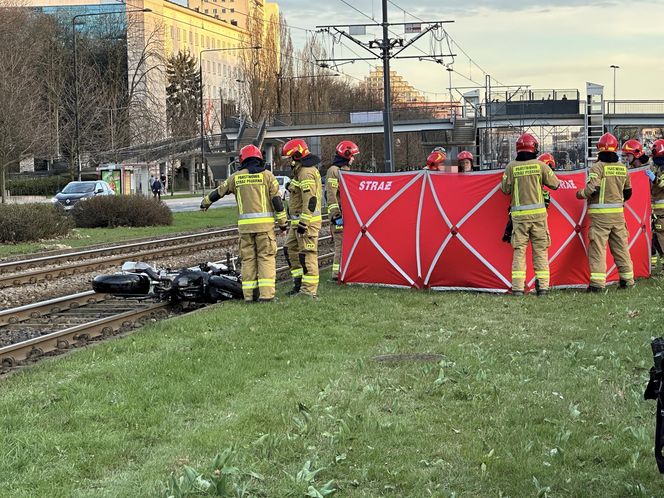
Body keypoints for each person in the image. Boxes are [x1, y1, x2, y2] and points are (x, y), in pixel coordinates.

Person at [200, 144, 288, 302]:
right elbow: (277, 201)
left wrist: (205, 203)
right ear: (259, 159)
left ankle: (249, 296)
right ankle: (266, 296)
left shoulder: (236, 177)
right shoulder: (268, 176)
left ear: (242, 160)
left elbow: (219, 191)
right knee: (266, 258)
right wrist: (283, 224)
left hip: (245, 229)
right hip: (265, 229)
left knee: (248, 260)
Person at [500, 133, 560, 296]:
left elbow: (505, 189)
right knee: (540, 251)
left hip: (519, 219)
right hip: (539, 218)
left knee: (519, 252)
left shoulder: (511, 167)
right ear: (534, 148)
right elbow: (556, 185)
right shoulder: (541, 166)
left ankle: (518, 288)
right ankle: (543, 288)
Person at [576, 132, 634, 291]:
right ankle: (627, 281)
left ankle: (597, 285)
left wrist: (579, 194)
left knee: (598, 250)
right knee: (621, 248)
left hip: (600, 219)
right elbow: (628, 193)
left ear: (599, 150)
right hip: (618, 217)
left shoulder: (597, 167)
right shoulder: (622, 168)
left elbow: (592, 189)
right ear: (615, 149)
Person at [282, 138, 323, 298]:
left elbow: (310, 200)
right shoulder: (299, 171)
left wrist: (304, 223)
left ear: (297, 156)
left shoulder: (305, 173)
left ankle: (308, 291)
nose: (289, 162)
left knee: (307, 254)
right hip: (297, 221)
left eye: (290, 158)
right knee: (290, 249)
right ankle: (299, 284)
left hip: (306, 223)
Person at [326, 140, 360, 282]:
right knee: (340, 243)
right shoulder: (334, 171)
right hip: (339, 215)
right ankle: (336, 274)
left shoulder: (345, 170)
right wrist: (336, 215)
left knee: (348, 243)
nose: (353, 159)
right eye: (352, 156)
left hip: (348, 213)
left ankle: (344, 270)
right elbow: (331, 195)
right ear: (346, 154)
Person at [647, 139, 664, 271]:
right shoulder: (658, 169)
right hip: (656, 213)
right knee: (656, 238)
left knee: (660, 238)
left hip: (662, 213)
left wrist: (654, 179)